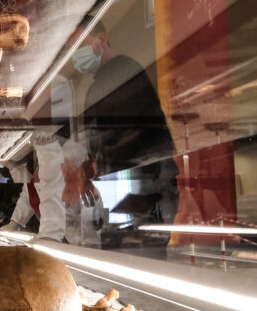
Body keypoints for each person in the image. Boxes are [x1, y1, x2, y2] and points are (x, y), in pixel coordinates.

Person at [73, 22, 179, 226]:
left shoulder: (124, 73)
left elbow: (137, 134)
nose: (74, 55)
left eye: (79, 44)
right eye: (71, 49)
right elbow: (98, 142)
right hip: (133, 185)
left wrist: (99, 164)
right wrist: (88, 167)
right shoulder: (96, 87)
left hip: (152, 185)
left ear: (102, 40)